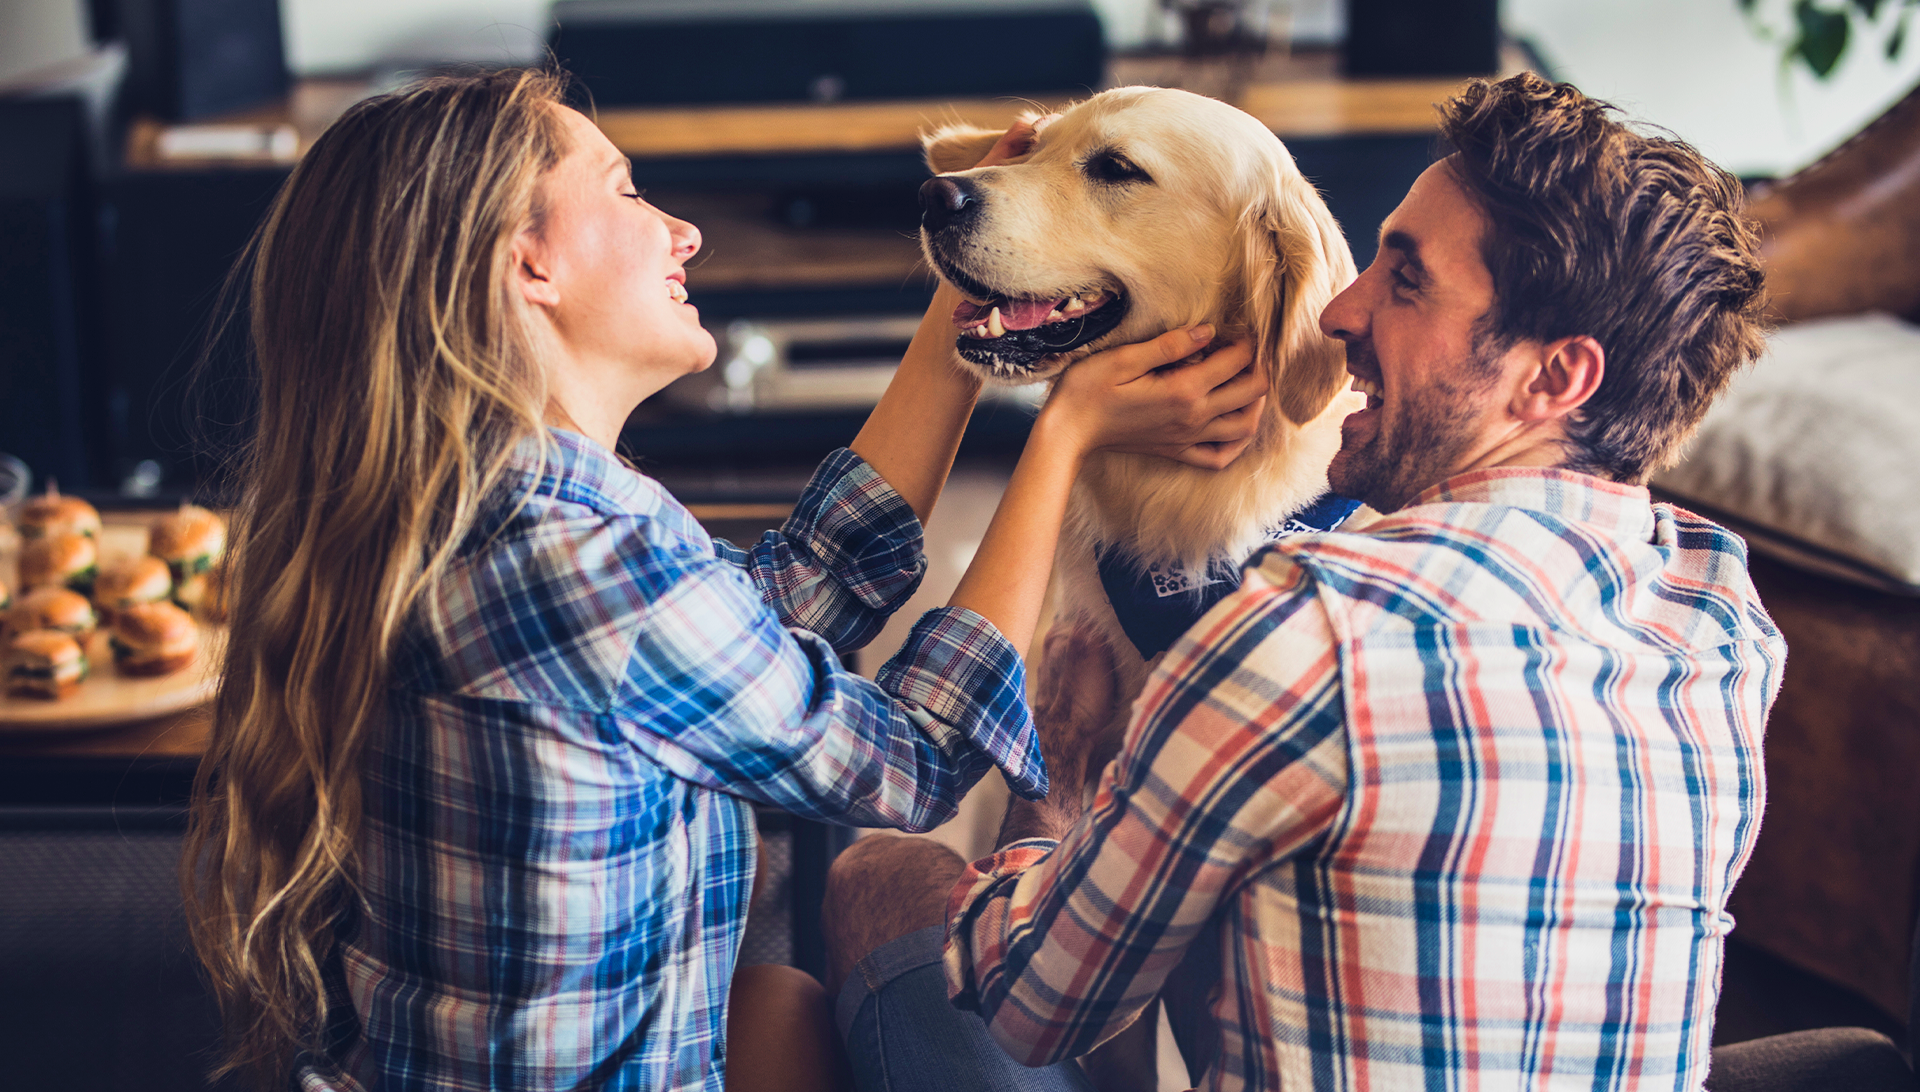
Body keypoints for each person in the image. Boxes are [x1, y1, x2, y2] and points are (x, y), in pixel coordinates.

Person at [180, 69, 1272, 1092]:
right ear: (529, 264)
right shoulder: (579, 566)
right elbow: (909, 765)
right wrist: (1062, 433)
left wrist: (976, 305)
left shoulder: (488, 505)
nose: (683, 231)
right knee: (825, 971)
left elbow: (789, 596)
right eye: (628, 192)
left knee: (776, 1008)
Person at [823, 71, 1783, 1092]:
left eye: (1406, 282)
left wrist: (1056, 792)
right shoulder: (1723, 617)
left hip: (1064, 955)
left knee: (875, 876)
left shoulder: (1306, 629)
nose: (1339, 310)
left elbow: (1033, 1000)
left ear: (1555, 378)